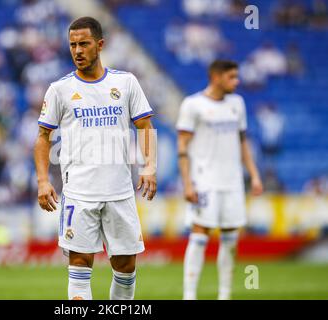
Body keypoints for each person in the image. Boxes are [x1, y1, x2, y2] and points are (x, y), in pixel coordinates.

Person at [33, 17, 157, 300]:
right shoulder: (59, 90)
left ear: (100, 45)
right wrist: (42, 180)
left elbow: (145, 127)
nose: (77, 51)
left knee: (125, 267)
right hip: (79, 193)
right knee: (79, 264)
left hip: (120, 192)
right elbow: (43, 138)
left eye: (84, 44)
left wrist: (149, 167)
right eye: (72, 45)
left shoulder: (125, 83)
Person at [176, 60, 263, 300]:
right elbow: (182, 145)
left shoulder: (237, 104)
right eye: (232, 77)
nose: (237, 82)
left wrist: (254, 175)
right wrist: (187, 183)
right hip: (204, 181)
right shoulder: (193, 105)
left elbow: (242, 142)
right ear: (216, 77)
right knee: (200, 235)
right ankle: (189, 295)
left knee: (231, 238)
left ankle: (225, 295)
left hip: (232, 182)